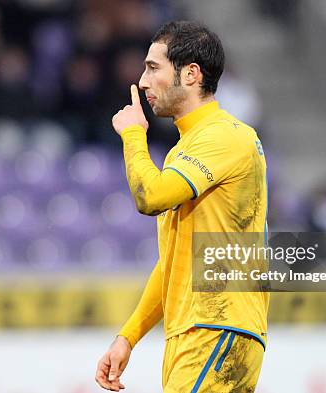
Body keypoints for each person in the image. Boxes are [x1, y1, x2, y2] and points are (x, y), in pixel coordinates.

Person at [95, 21, 269, 392]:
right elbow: (174, 262)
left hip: (216, 325)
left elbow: (150, 197)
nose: (143, 81)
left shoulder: (226, 135)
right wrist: (128, 336)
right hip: (194, 331)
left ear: (191, 74)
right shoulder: (186, 150)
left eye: (153, 67)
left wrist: (132, 135)